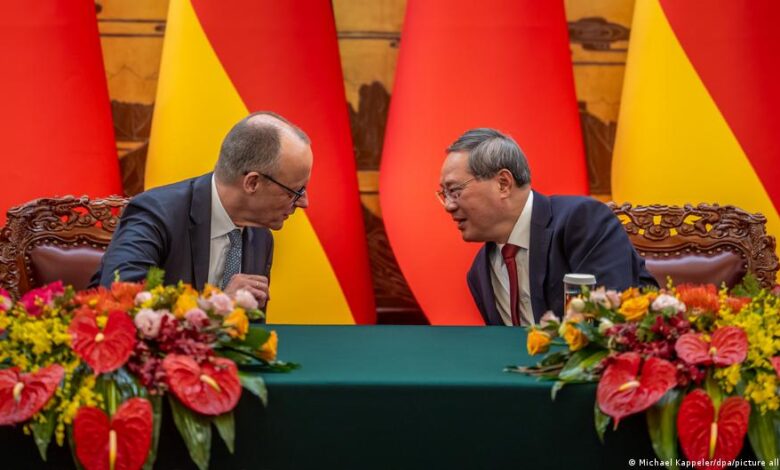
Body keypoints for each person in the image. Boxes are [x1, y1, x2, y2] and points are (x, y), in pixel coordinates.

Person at [91, 111, 312, 309]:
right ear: (252, 183)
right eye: (295, 191)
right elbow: (120, 301)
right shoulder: (156, 214)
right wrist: (216, 306)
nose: (304, 202)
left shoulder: (261, 237)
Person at [438, 128, 657, 326]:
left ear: (503, 183)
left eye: (455, 191)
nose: (448, 206)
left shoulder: (582, 221)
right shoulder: (480, 272)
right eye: (444, 194)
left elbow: (607, 324)